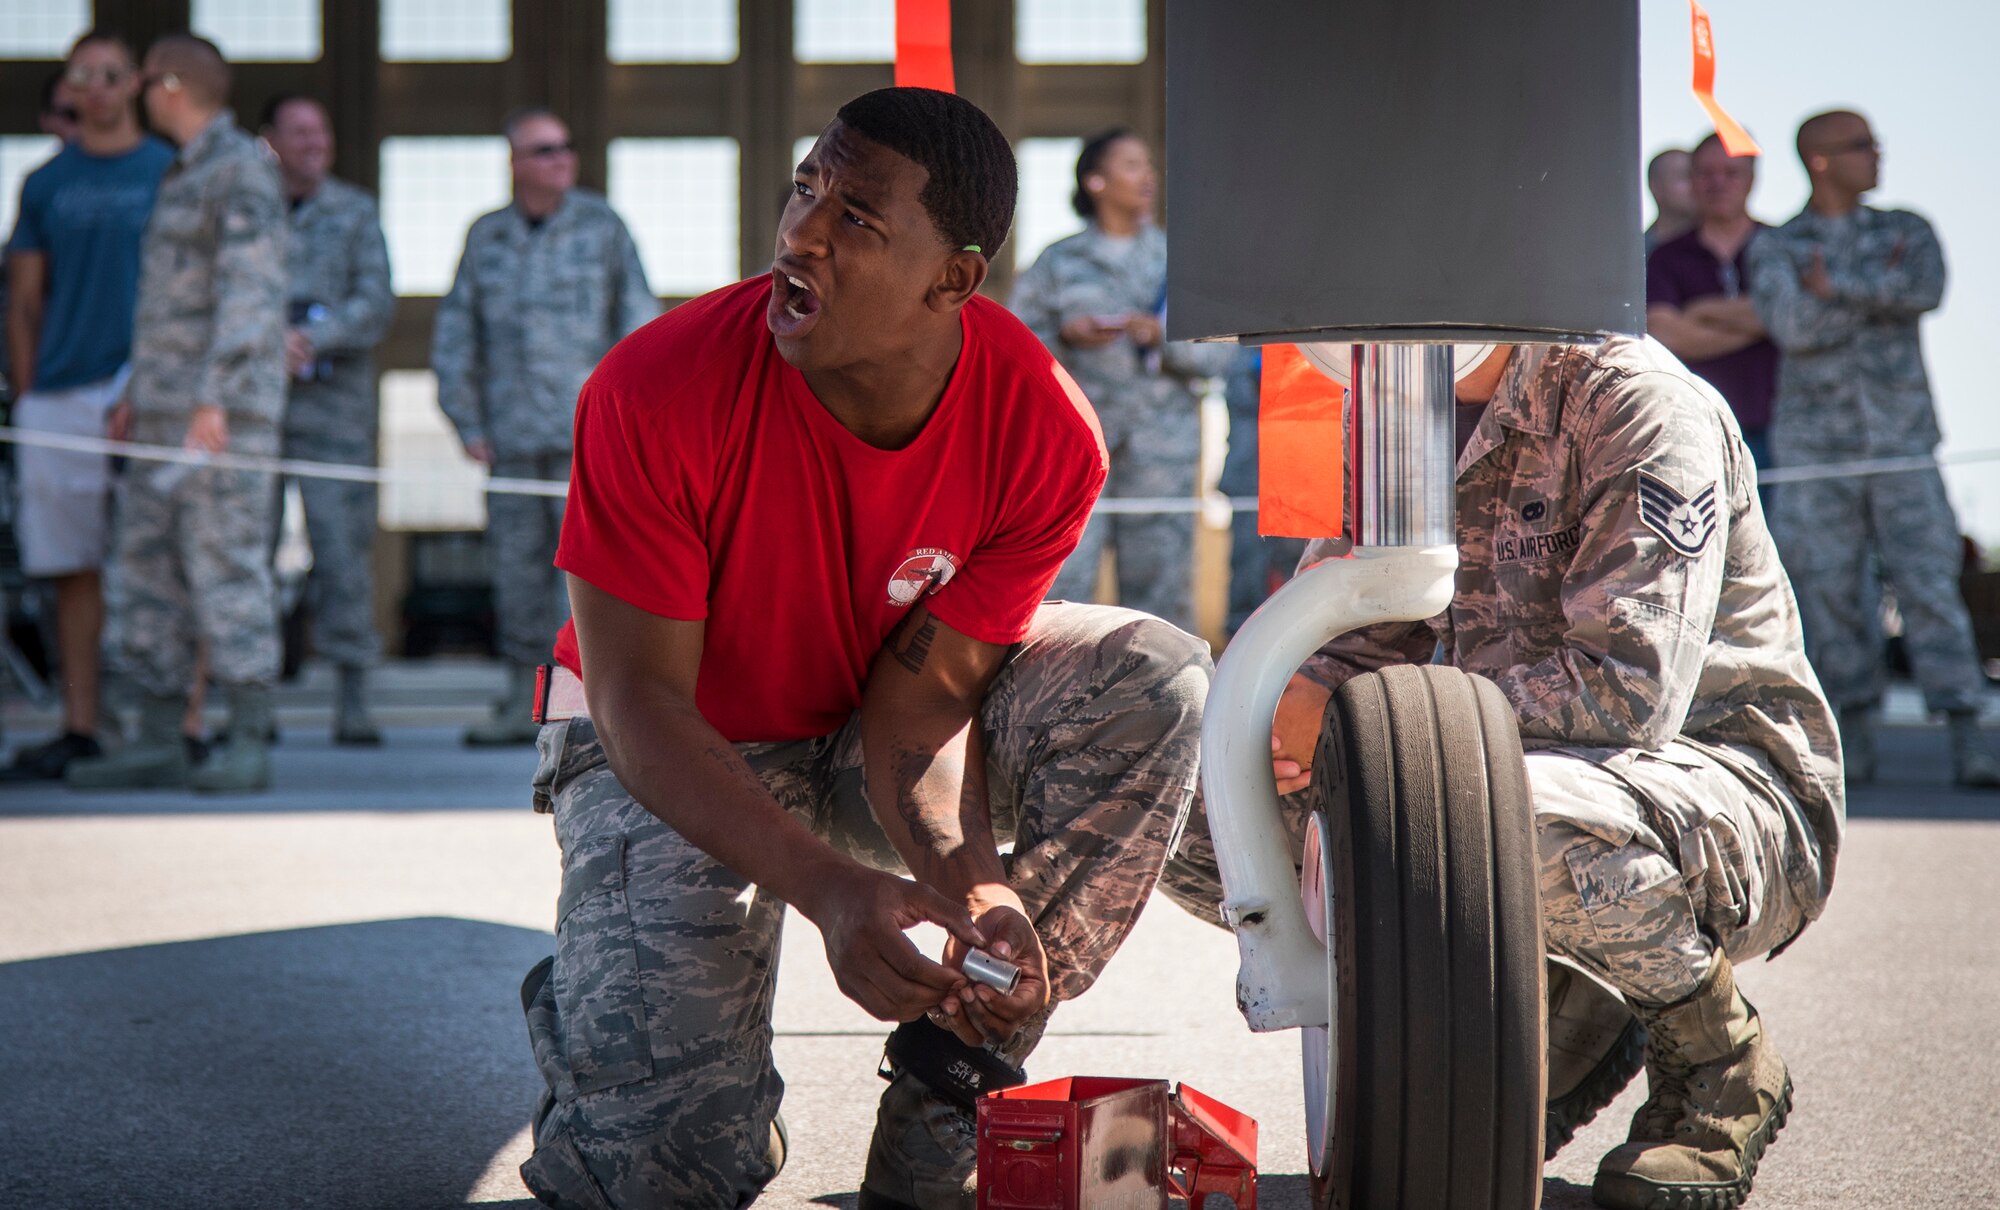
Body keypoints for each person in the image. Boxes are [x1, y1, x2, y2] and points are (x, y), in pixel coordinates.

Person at [517, 88, 1208, 1210]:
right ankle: (613, 1011)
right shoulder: (654, 389)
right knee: (664, 1175)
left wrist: (966, 882)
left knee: (1154, 676)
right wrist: (830, 889)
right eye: (805, 187)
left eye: (858, 217)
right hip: (663, 739)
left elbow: (920, 703)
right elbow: (637, 700)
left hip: (852, 728)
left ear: (954, 281)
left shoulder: (1042, 429)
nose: (800, 232)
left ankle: (952, 1086)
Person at [1162, 339, 1843, 1209]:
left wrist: (1346, 725)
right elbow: (1357, 645)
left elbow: (1625, 694)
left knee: (1477, 806)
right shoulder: (1392, 405)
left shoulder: (1636, 403)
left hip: (1724, 790)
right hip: (1511, 765)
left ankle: (1716, 1055)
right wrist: (1291, 722)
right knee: (1198, 809)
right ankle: (1533, 1022)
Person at [1747, 108, 2000, 789]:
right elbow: (1794, 325)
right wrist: (1873, 296)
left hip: (1901, 442)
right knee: (1828, 594)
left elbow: (1926, 287)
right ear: (1821, 160)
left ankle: (1972, 736)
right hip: (1818, 454)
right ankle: (1847, 740)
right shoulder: (1779, 245)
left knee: (1930, 584)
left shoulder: (1904, 230)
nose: (1877, 155)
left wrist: (1841, 289)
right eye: (1861, 146)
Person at [65, 34, 287, 794]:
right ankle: (159, 737)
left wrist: (213, 397)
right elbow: (170, 305)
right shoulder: (182, 172)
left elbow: (251, 294)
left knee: (225, 569)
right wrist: (137, 389)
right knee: (147, 573)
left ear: (166, 87)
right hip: (163, 415)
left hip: (215, 422)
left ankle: (249, 738)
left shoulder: (239, 168)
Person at [432, 107, 658, 747]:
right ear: (515, 163)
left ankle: (581, 709)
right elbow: (456, 333)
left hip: (583, 441)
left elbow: (639, 327)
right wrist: (466, 419)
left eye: (566, 147)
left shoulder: (603, 228)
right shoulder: (486, 236)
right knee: (516, 573)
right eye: (544, 150)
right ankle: (518, 700)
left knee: (583, 578)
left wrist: (627, 426)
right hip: (508, 441)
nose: (561, 158)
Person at [2, 32, 174, 781]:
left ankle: (170, 725)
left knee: (159, 565)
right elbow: (23, 300)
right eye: (84, 77)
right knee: (71, 565)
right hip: (61, 396)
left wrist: (151, 384)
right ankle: (81, 723)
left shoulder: (171, 171)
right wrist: (33, 391)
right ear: (69, 89)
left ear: (134, 82)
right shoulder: (43, 184)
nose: (98, 88)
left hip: (149, 388)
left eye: (111, 74)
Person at [1010, 129, 1234, 632]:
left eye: (1148, 165)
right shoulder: (1058, 262)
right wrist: (1064, 337)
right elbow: (1013, 353)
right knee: (1062, 592)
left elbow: (1219, 359)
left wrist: (1161, 337)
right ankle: (1061, 705)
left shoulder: (1179, 264)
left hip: (1163, 459)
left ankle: (1162, 705)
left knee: (1160, 603)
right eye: (1132, 165)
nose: (1148, 176)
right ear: (1096, 181)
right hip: (1074, 457)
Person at [260, 93, 394, 745]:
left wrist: (316, 338)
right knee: (245, 554)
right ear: (271, 140)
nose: (315, 142)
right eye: (300, 131)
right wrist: (266, 340)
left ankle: (353, 697)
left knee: (343, 554)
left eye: (323, 131)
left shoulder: (355, 211)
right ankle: (248, 704)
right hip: (254, 413)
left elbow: (377, 301)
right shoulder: (246, 210)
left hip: (335, 415)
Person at [1646, 133, 1779, 474]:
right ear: (1692, 181)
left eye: (1730, 173)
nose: (1718, 183)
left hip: (1785, 429)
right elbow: (1669, 336)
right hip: (1697, 430)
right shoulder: (1665, 257)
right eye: (1706, 174)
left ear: (1751, 178)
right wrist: (1766, 323)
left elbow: (1802, 318)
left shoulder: (1782, 247)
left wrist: (1702, 312)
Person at [1218, 345, 1306, 636]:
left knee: (1302, 565)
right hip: (1252, 474)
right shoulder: (1242, 343)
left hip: (1306, 469)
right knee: (1248, 566)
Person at [1643, 147, 1696, 254]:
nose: (1695, 185)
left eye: (1697, 176)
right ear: (1656, 187)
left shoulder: (1723, 246)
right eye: (1684, 176)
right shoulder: (1638, 253)